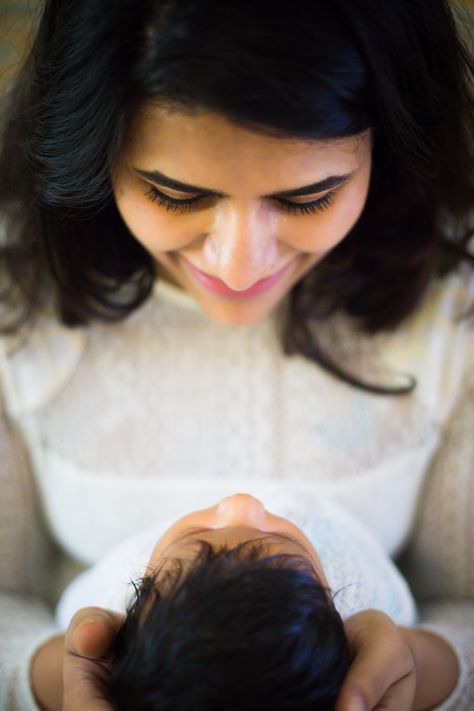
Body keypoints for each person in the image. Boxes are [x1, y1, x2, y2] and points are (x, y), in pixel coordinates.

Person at [0, 0, 472, 709]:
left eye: (310, 196)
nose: (241, 265)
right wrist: (55, 678)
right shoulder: (16, 296)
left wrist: (428, 664)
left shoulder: (454, 301)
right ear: (92, 143)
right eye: (173, 193)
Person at [55, 492, 418, 710]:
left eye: (196, 535)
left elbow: (78, 663)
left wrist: (76, 679)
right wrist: (414, 653)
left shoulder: (111, 591)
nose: (242, 502)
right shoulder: (362, 591)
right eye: (288, 545)